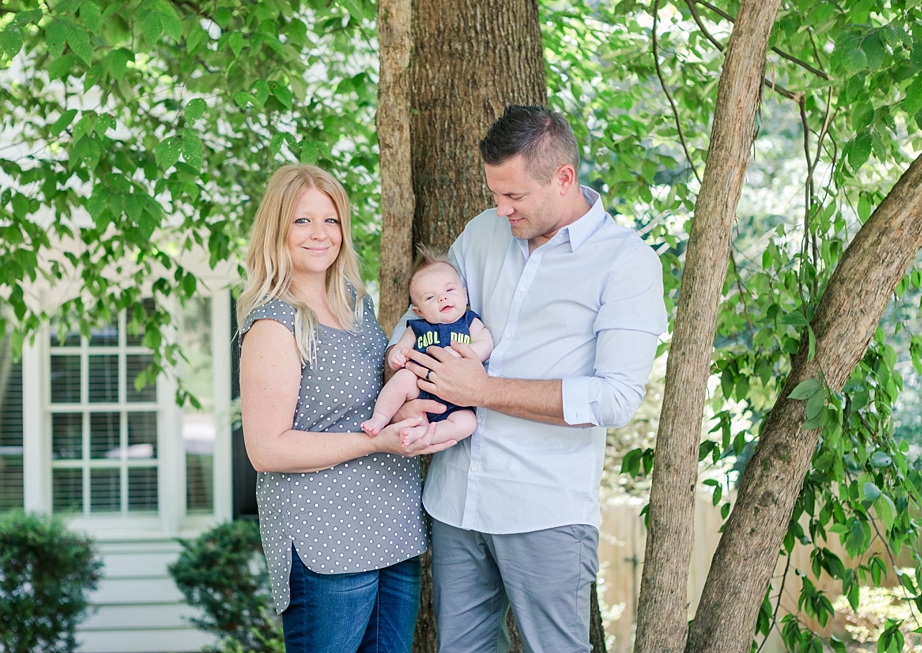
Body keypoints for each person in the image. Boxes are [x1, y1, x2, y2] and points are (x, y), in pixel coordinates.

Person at [390, 105, 668, 653]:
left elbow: (615, 398)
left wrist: (485, 391)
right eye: (495, 194)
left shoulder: (626, 264)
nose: (501, 208)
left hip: (544, 508)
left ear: (563, 178)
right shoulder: (483, 233)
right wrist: (404, 392)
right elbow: (418, 321)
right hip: (454, 502)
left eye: (514, 196)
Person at [237, 164, 455, 653]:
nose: (321, 234)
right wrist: (375, 440)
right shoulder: (275, 323)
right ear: (277, 229)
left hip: (393, 528)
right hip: (327, 542)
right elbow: (266, 449)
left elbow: (366, 400)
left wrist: (410, 417)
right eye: (302, 221)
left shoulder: (356, 304)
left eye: (331, 221)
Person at [362, 245, 493, 445]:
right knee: (403, 378)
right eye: (430, 297)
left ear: (465, 295)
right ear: (419, 311)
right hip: (420, 387)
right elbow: (400, 348)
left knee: (468, 423)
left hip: (457, 400)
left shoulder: (469, 321)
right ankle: (379, 418)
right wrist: (395, 357)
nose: (443, 297)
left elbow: (486, 342)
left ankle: (422, 434)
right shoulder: (417, 327)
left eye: (449, 289)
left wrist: (461, 353)